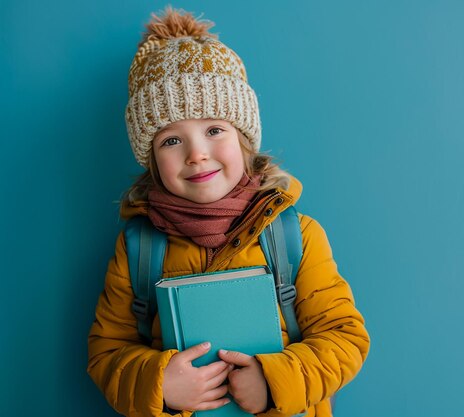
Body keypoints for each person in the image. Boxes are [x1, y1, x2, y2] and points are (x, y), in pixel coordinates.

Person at [87, 7, 370, 417]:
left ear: (244, 141)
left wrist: (274, 381)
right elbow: (107, 353)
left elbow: (344, 338)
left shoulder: (296, 236)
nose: (196, 154)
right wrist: (159, 384)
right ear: (151, 160)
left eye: (214, 130)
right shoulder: (138, 248)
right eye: (170, 140)